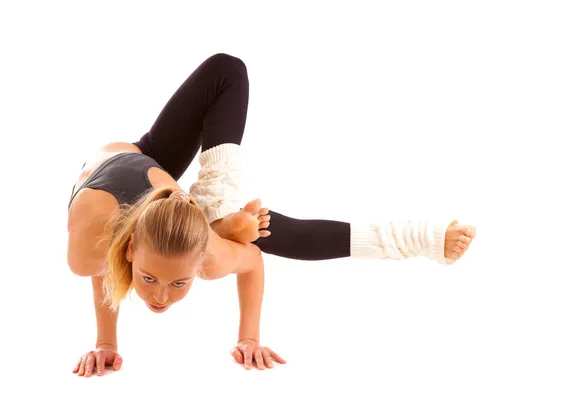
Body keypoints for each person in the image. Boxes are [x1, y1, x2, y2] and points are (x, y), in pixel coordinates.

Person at [67, 53, 476, 378]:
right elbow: (101, 269)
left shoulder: (203, 253)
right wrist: (107, 344)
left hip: (150, 172)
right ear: (131, 250)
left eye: (179, 282)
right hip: (118, 175)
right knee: (241, 230)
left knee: (226, 69)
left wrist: (249, 336)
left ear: (199, 261)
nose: (160, 296)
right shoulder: (87, 248)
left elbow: (251, 262)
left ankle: (217, 209)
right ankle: (219, 214)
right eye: (150, 278)